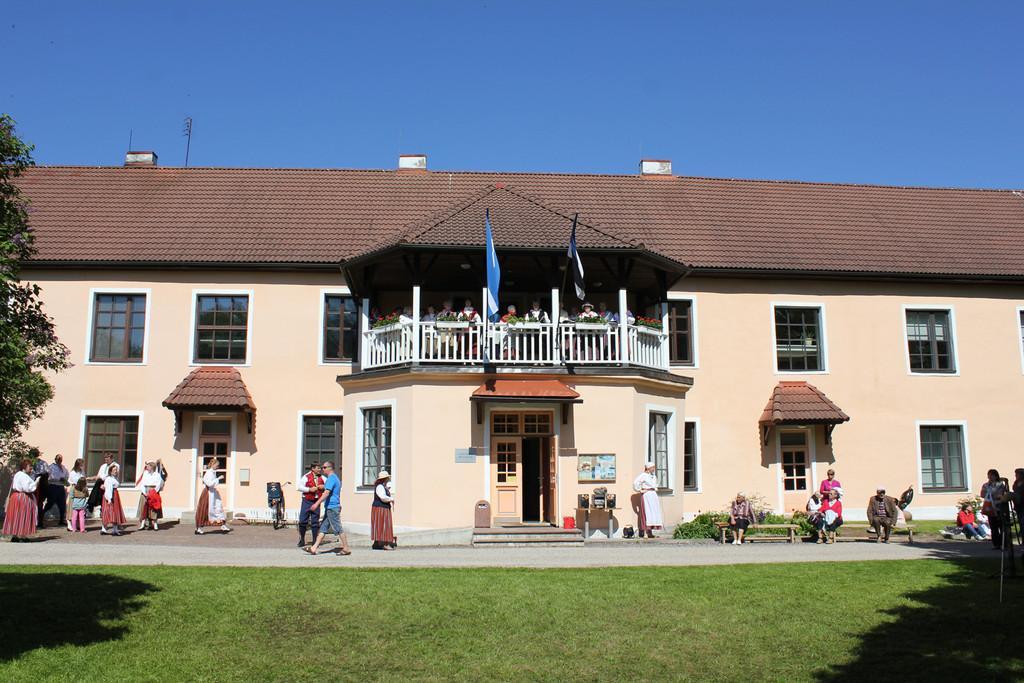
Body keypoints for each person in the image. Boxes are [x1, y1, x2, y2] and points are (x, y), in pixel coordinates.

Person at [305, 461, 352, 556]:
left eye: (324, 467)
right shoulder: (335, 478)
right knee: (323, 528)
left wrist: (316, 504)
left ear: (330, 468)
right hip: (330, 507)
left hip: (332, 507)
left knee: (338, 528)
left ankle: (346, 548)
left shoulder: (331, 478)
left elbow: (326, 493)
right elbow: (333, 491)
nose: (322, 469)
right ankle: (314, 548)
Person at [3, 459, 40, 542]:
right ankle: (22, 536)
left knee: (16, 516)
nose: (31, 468)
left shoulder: (18, 474)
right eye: (30, 466)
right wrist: (36, 482)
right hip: (23, 497)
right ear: (24, 467)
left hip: (15, 496)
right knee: (23, 515)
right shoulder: (23, 476)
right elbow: (28, 488)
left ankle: (15, 535)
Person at [195, 459, 231, 535]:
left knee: (218, 508)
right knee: (205, 510)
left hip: (213, 493)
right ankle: (198, 528)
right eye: (217, 465)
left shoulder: (213, 472)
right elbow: (209, 484)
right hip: (208, 494)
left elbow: (213, 484)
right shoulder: (208, 473)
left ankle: (223, 525)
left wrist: (216, 479)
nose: (218, 467)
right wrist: (218, 479)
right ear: (213, 465)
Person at [296, 462, 325, 548]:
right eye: (318, 468)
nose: (320, 469)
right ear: (313, 469)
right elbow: (299, 487)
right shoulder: (306, 477)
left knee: (315, 521)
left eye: (320, 468)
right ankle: (302, 539)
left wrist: (323, 486)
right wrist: (309, 489)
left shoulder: (322, 477)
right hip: (307, 501)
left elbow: (328, 485)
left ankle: (314, 541)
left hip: (316, 501)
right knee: (302, 521)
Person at [87, 453, 117, 533]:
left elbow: (112, 476)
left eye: (108, 459)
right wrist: (90, 478)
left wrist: (105, 484)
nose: (106, 460)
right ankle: (104, 527)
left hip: (109, 487)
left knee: (112, 508)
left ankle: (115, 528)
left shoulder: (115, 466)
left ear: (112, 459)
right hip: (101, 486)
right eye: (105, 459)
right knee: (104, 507)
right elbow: (98, 476)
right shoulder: (103, 466)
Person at [632, 463, 663, 539]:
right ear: (648, 468)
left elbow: (655, 484)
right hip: (647, 495)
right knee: (647, 513)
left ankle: (650, 532)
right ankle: (645, 532)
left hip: (653, 495)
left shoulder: (653, 476)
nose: (654, 469)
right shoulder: (643, 475)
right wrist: (640, 490)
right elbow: (635, 482)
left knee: (653, 513)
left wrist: (655, 488)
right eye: (652, 467)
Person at [981, 469, 1010, 550]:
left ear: (996, 476)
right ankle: (996, 544)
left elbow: (1000, 495)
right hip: (990, 508)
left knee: (1002, 526)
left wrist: (991, 494)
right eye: (989, 475)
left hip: (999, 507)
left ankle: (1003, 544)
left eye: (992, 475)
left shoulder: (1000, 485)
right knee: (993, 527)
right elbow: (982, 494)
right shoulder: (985, 485)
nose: (990, 477)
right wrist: (990, 494)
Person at [41, 453, 69, 529]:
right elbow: (50, 477)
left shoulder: (63, 467)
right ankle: (41, 517)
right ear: (55, 459)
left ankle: (61, 520)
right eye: (58, 459)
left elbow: (66, 475)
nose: (60, 460)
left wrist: (64, 479)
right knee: (50, 503)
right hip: (53, 486)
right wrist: (58, 479)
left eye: (61, 459)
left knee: (62, 504)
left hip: (61, 486)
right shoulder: (51, 467)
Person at [370, 470, 396, 550]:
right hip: (381, 508)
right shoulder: (380, 487)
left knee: (380, 525)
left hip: (381, 507)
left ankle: (377, 543)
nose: (388, 479)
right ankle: (385, 544)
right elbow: (383, 497)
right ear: (385, 478)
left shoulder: (383, 486)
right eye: (387, 478)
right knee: (384, 525)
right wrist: (391, 499)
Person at [135, 461, 164, 530]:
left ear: (152, 467)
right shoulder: (145, 474)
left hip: (153, 491)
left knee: (154, 508)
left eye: (148, 466)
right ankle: (143, 524)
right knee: (144, 508)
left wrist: (153, 492)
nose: (147, 467)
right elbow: (142, 483)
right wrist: (144, 492)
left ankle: (155, 524)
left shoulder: (157, 475)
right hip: (145, 491)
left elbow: (158, 484)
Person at [100, 463, 126, 536]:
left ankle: (114, 530)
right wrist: (109, 499)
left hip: (114, 495)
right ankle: (104, 529)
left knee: (114, 512)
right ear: (110, 471)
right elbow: (109, 489)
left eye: (116, 470)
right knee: (109, 512)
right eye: (114, 470)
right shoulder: (109, 479)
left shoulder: (114, 478)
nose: (116, 471)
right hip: (111, 496)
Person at [65, 458, 85, 531]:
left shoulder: (82, 471)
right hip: (75, 488)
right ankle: (69, 524)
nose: (82, 466)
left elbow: (83, 479)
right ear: (77, 465)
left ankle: (77, 524)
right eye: (81, 465)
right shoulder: (73, 472)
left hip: (81, 489)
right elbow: (75, 481)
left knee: (80, 506)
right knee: (71, 506)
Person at [31, 451, 49, 527]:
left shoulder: (43, 463)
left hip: (40, 485)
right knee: (34, 504)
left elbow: (47, 473)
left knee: (39, 504)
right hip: (31, 485)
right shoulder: (29, 463)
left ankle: (39, 522)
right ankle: (33, 521)